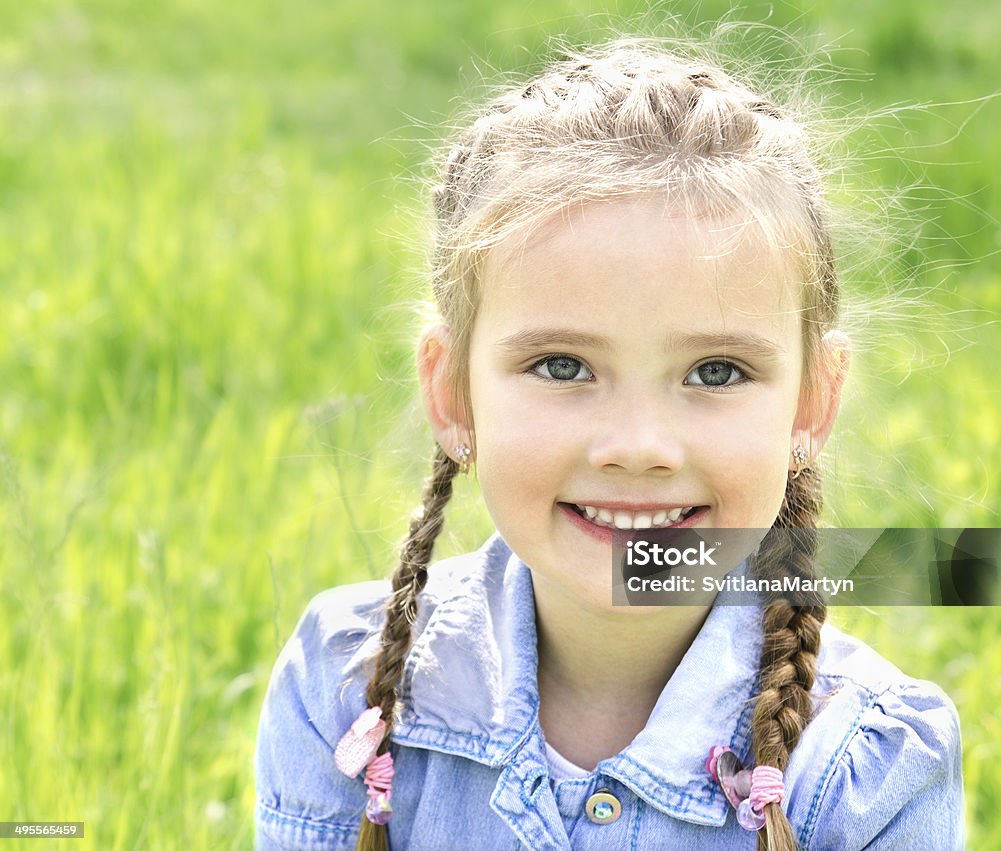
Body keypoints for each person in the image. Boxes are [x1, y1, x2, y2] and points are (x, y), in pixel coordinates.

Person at [254, 38, 964, 850]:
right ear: (454, 394)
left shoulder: (863, 767)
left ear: (811, 402)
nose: (638, 446)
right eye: (563, 365)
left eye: (717, 371)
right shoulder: (344, 687)